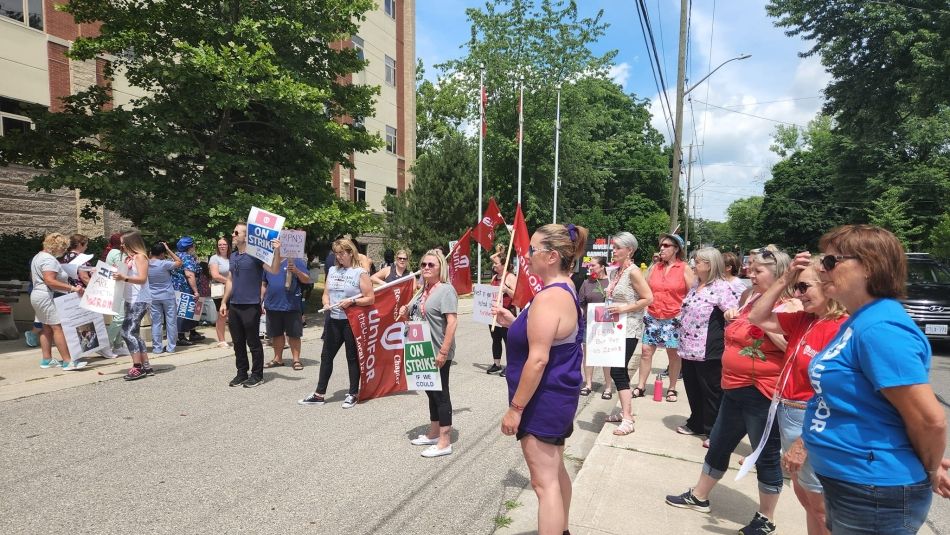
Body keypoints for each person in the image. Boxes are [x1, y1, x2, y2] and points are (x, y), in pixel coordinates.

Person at [786, 225, 950, 534]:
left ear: (869, 267)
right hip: (852, 485)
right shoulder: (859, 320)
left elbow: (930, 420)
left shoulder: (881, 328)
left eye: (832, 261)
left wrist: (929, 467)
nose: (822, 269)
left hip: (873, 492)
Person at [665, 247, 791, 535]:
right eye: (751, 268)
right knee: (719, 442)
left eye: (758, 270)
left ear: (779, 274)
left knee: (766, 454)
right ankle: (699, 495)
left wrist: (762, 324)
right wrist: (736, 316)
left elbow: (791, 348)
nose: (750, 274)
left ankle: (766, 517)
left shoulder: (789, 305)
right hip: (734, 386)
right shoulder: (749, 297)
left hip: (762, 391)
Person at [492, 223, 587, 535]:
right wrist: (513, 321)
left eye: (532, 249)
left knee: (543, 484)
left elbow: (539, 358)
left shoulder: (551, 297)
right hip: (555, 397)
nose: (527, 254)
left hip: (542, 401)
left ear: (552, 256)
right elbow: (542, 335)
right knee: (556, 475)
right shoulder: (558, 291)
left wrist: (515, 409)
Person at [749, 254, 847, 535]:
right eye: (797, 287)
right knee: (807, 501)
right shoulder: (806, 319)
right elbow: (757, 316)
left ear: (829, 286)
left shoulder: (841, 328)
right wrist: (786, 277)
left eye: (804, 287)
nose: (798, 294)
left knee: (820, 506)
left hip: (813, 419)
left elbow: (837, 395)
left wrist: (803, 443)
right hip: (789, 412)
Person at [298, 238, 373, 407]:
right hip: (333, 319)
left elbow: (370, 298)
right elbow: (326, 293)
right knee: (326, 356)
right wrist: (325, 303)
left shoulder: (359, 272)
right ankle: (319, 394)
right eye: (336, 253)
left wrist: (352, 302)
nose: (338, 257)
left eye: (341, 253)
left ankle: (353, 393)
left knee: (352, 358)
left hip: (351, 322)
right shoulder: (331, 270)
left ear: (350, 253)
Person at [676, 248, 739, 446]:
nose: (694, 264)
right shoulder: (696, 284)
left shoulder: (721, 287)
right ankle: (697, 423)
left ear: (710, 264)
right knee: (693, 388)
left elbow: (732, 312)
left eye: (698, 261)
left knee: (711, 392)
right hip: (688, 347)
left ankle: (715, 431)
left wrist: (730, 315)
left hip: (708, 349)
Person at [400, 250, 459, 458]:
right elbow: (417, 311)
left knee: (441, 394)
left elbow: (452, 322)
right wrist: (405, 311)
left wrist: (443, 351)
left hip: (438, 350)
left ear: (440, 267)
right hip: (421, 348)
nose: (425, 267)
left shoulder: (446, 290)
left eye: (431, 265)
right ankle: (434, 433)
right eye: (423, 264)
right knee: (430, 391)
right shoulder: (423, 289)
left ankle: (445, 441)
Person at [218, 222, 282, 388]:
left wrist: (277, 250)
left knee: (253, 342)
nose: (232, 235)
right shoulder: (233, 256)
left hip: (251, 305)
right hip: (235, 305)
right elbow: (231, 280)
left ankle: (257, 374)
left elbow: (274, 270)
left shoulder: (256, 254)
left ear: (246, 236)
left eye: (236, 232)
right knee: (238, 342)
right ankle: (241, 372)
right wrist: (224, 301)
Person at [601, 232, 653, 436]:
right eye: (613, 247)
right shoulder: (615, 272)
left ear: (629, 250)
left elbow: (648, 298)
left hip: (629, 328)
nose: (613, 251)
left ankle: (628, 418)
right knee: (615, 369)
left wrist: (624, 308)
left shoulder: (633, 272)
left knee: (618, 371)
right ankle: (624, 411)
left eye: (617, 248)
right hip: (614, 328)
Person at [637, 233, 693, 402]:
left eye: (666, 245)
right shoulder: (655, 267)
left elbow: (692, 294)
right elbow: (644, 287)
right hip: (654, 315)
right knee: (646, 351)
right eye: (661, 245)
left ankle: (672, 388)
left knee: (673, 354)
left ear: (676, 249)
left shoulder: (684, 268)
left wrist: (682, 314)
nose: (662, 248)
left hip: (674, 317)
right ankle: (640, 386)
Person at [29, 233, 86, 370]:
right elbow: (50, 281)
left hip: (38, 295)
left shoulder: (38, 256)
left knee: (46, 327)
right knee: (57, 327)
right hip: (47, 296)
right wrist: (73, 288)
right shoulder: (49, 260)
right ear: (58, 247)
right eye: (64, 248)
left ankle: (47, 359)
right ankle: (68, 361)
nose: (64, 251)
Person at [113, 231, 153, 380]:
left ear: (132, 243)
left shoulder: (140, 257)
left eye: (124, 242)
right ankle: (146, 365)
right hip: (130, 298)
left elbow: (142, 279)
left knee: (127, 332)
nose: (121, 245)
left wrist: (125, 277)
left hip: (140, 299)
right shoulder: (129, 259)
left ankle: (137, 367)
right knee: (133, 333)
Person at [262, 256, 310, 371]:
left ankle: (296, 360)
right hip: (272, 304)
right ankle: (278, 359)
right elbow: (264, 283)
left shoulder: (296, 260)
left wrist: (296, 271)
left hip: (291, 304)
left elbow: (306, 279)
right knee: (276, 333)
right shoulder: (268, 260)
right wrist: (261, 300)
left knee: (294, 334)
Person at [577, 256, 613, 397]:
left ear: (602, 266)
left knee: (606, 355)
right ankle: (588, 384)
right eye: (589, 266)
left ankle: (608, 386)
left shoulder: (610, 282)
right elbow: (581, 304)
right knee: (588, 355)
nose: (590, 268)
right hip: (589, 324)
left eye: (593, 265)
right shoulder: (586, 283)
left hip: (606, 324)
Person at [148, 241, 182, 355]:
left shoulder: (146, 264)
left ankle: (157, 348)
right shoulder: (164, 263)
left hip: (153, 296)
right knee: (171, 322)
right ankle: (171, 347)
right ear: (162, 253)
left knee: (156, 323)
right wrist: (168, 249)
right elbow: (179, 262)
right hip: (167, 295)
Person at [486, 246, 516, 376]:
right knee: (495, 339)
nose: (493, 265)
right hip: (494, 314)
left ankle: (511, 366)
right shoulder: (494, 278)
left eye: (496, 263)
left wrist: (507, 290)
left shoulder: (510, 277)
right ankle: (497, 364)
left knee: (508, 341)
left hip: (506, 313)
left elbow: (517, 296)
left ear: (504, 265)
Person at [171, 236, 203, 347]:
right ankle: (181, 337)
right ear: (190, 246)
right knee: (183, 312)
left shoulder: (176, 255)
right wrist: (195, 291)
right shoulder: (187, 258)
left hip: (176, 288)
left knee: (189, 312)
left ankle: (192, 333)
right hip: (185, 288)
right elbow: (189, 275)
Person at [103, 233, 127, 353]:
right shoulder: (117, 253)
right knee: (119, 318)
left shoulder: (113, 251)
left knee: (120, 318)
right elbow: (123, 268)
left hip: (119, 288)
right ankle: (106, 344)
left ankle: (118, 345)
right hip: (117, 288)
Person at [208, 236, 231, 348]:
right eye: (220, 244)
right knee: (222, 314)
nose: (222, 246)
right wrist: (230, 282)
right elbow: (215, 275)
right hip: (220, 289)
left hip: (233, 289)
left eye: (224, 244)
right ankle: (221, 340)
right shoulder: (214, 258)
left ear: (228, 246)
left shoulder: (233, 257)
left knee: (234, 315)